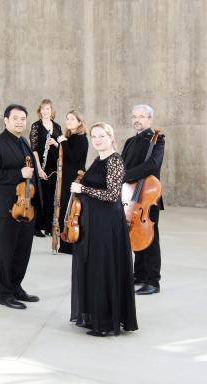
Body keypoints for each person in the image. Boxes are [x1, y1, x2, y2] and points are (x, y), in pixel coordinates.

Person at [69, 122, 139, 337]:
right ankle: (94, 314)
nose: (97, 140)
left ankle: (107, 321)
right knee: (92, 264)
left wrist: (83, 189)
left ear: (111, 137)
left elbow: (111, 194)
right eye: (94, 136)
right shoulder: (97, 160)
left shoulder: (115, 161)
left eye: (101, 136)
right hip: (92, 220)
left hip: (107, 222)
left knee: (103, 266)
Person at [0, 104, 40, 310]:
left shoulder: (23, 141)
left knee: (23, 249)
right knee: (7, 251)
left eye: (23, 118)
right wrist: (19, 174)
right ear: (5, 120)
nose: (20, 121)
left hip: (26, 206)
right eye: (15, 118)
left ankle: (16, 287)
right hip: (6, 208)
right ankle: (3, 293)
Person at [122, 104, 165, 295]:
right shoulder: (130, 141)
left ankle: (153, 281)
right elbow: (122, 163)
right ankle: (138, 275)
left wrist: (125, 176)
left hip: (148, 195)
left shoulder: (158, 140)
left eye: (141, 116)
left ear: (149, 119)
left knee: (150, 237)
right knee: (134, 234)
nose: (137, 120)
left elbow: (151, 165)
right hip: (130, 194)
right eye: (134, 116)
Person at [56, 111, 89, 254]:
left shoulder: (80, 138)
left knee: (71, 210)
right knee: (64, 208)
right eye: (67, 118)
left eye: (72, 119)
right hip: (66, 177)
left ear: (79, 122)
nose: (68, 121)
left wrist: (62, 141)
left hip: (74, 178)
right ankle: (65, 242)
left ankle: (71, 243)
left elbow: (74, 157)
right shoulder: (71, 137)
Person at [29, 99, 62, 237]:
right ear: (40, 111)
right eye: (43, 109)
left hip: (54, 166)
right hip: (41, 165)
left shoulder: (57, 126)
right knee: (38, 196)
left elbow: (62, 147)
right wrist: (38, 169)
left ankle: (48, 226)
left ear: (51, 111)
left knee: (50, 197)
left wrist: (56, 143)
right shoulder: (36, 126)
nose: (45, 111)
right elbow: (34, 149)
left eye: (47, 109)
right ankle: (36, 226)